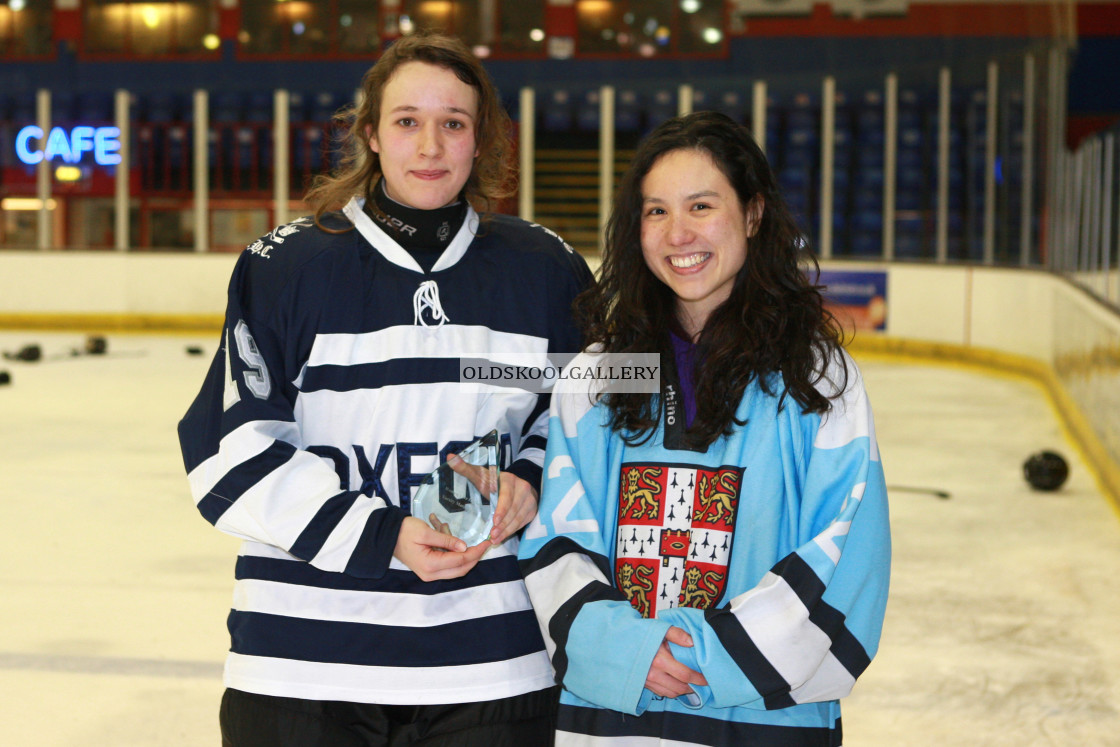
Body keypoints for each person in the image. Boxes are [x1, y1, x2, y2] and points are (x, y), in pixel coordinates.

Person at [178, 31, 591, 746]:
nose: (429, 146)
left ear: (480, 138)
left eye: (453, 123)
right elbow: (228, 454)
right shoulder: (284, 266)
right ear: (370, 133)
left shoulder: (545, 268)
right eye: (407, 121)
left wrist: (531, 475)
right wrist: (383, 533)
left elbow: (601, 408)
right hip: (301, 674)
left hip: (491, 669)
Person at [517, 111, 891, 745]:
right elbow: (555, 533)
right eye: (655, 211)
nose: (677, 232)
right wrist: (624, 650)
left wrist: (698, 656)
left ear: (752, 214)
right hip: (613, 721)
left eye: (701, 205)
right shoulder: (603, 373)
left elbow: (848, 547)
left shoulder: (815, 375)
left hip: (763, 721)